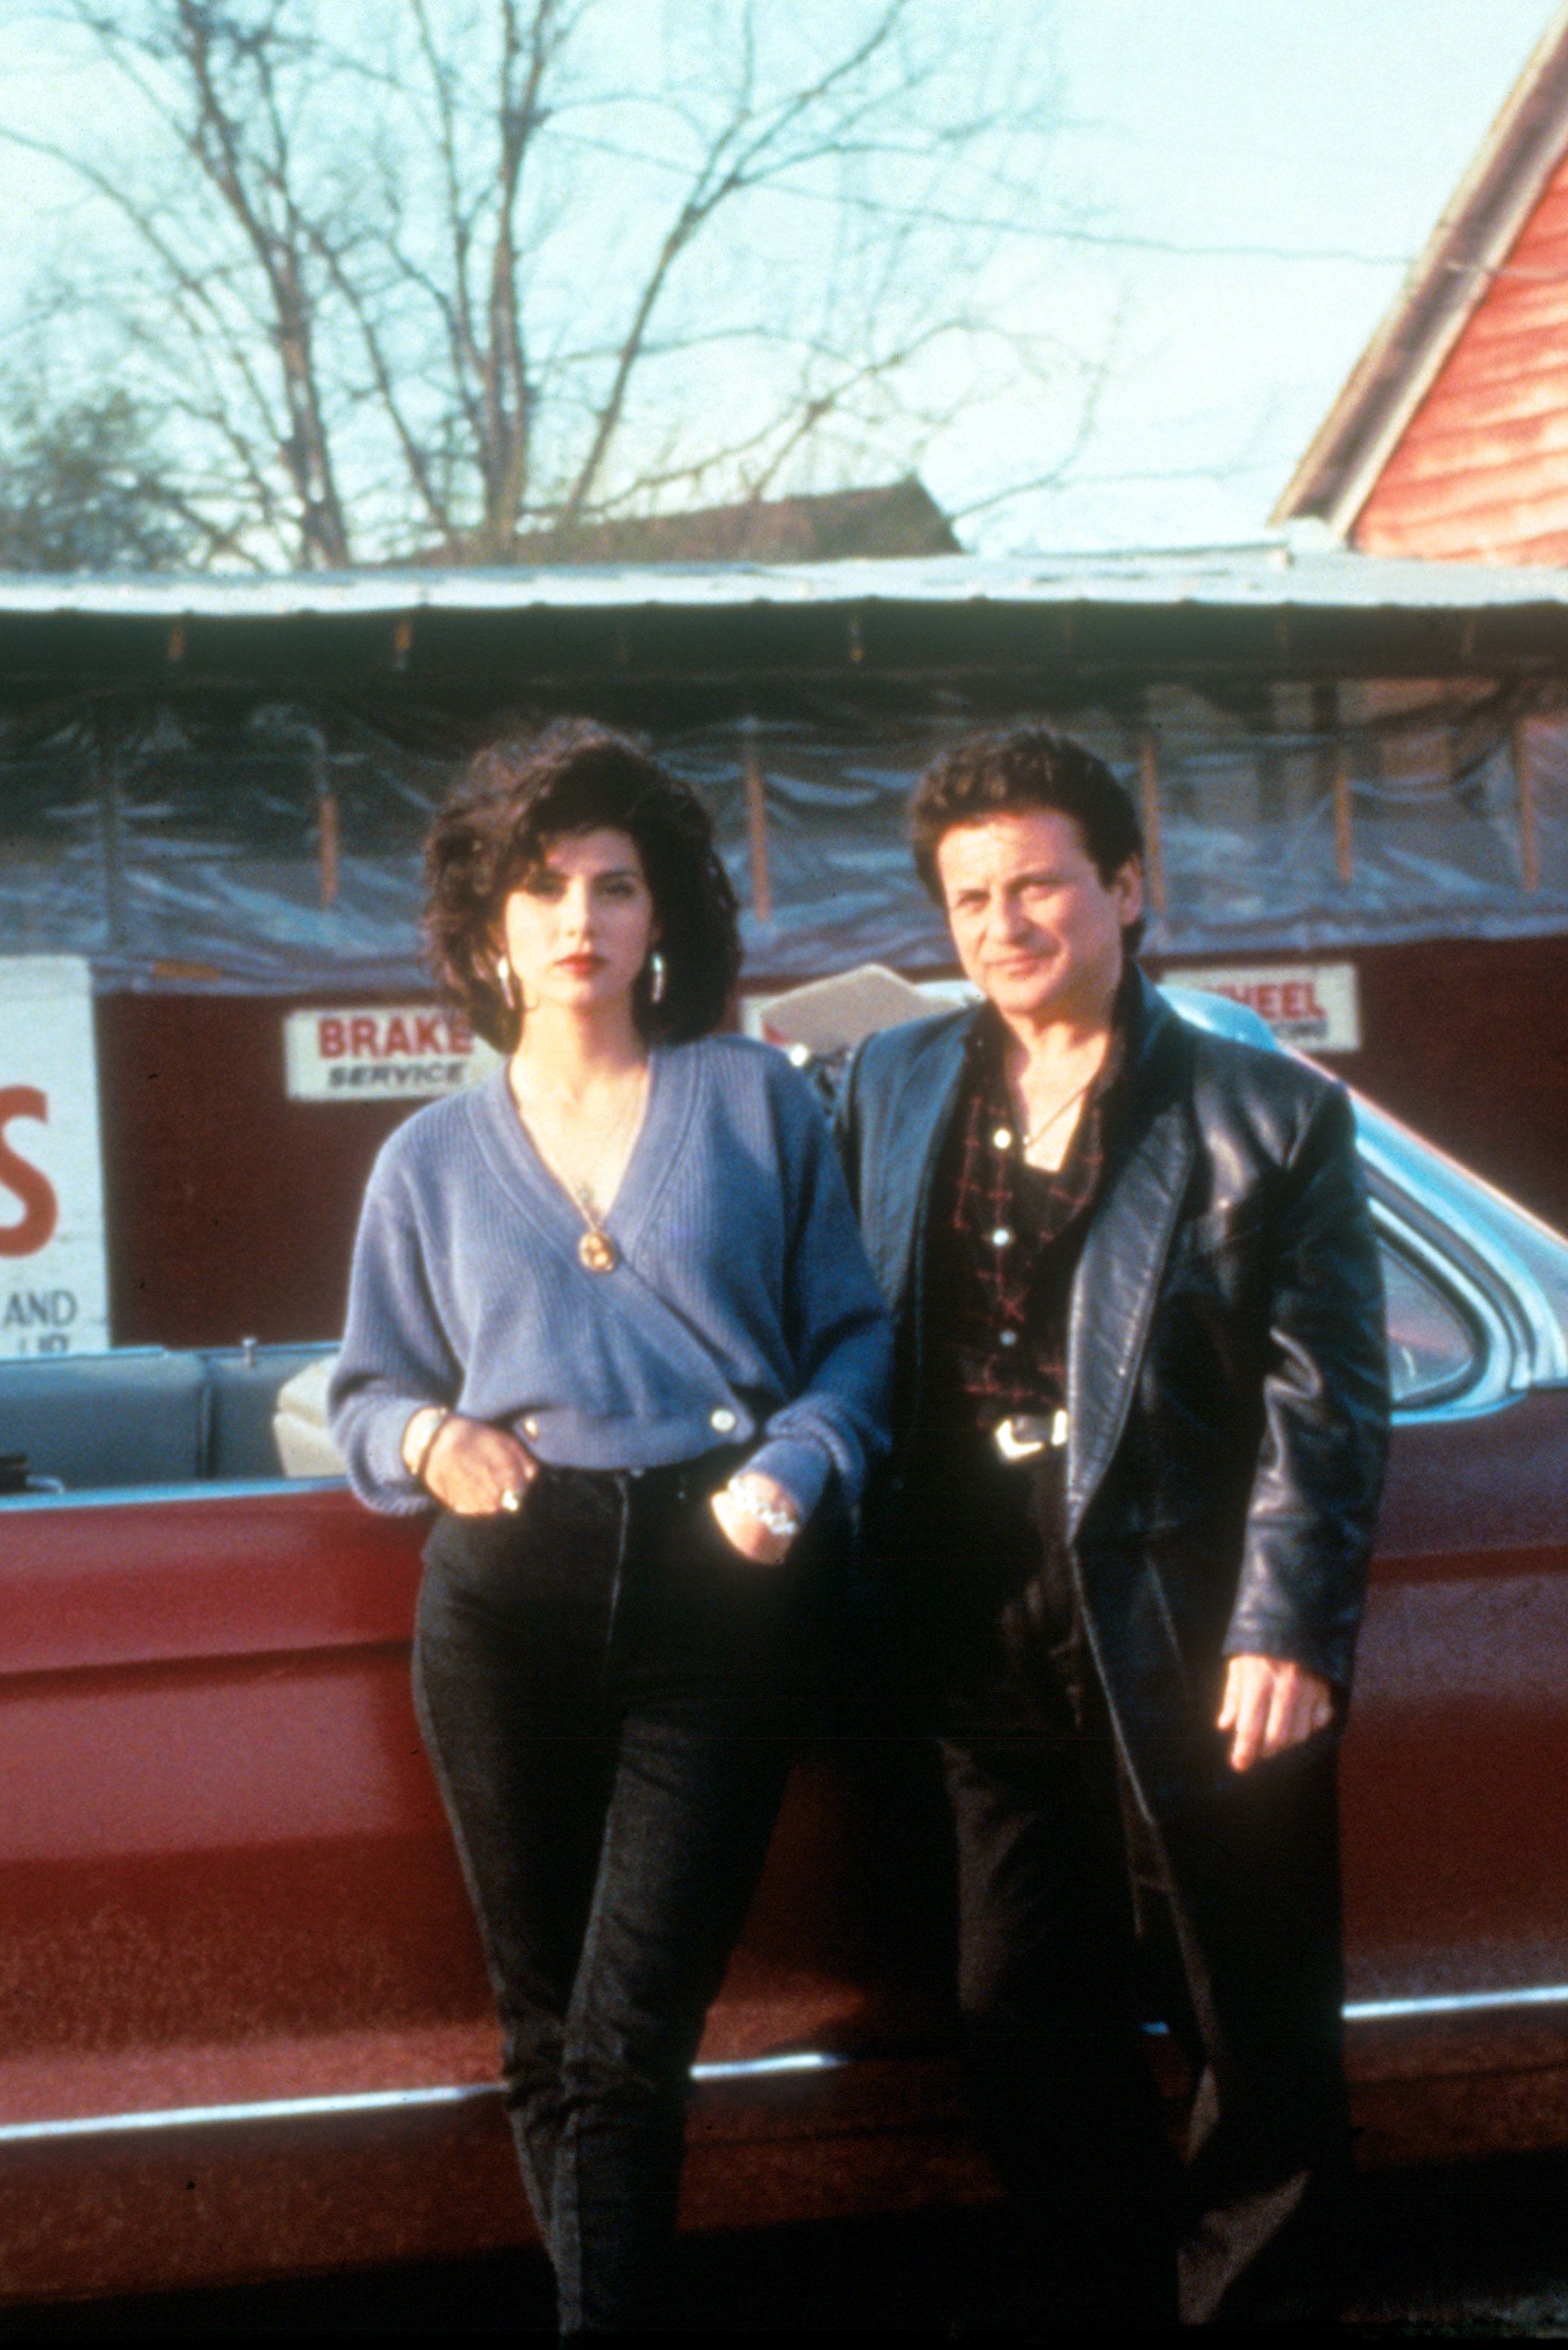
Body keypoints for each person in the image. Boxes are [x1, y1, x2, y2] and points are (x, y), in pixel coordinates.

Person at [329, 723, 892, 2334]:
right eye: (545, 887)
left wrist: (802, 1459)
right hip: (507, 1600)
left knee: (631, 2030)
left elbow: (854, 1339)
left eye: (616, 886)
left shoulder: (757, 1103)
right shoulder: (426, 1160)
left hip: (725, 1587)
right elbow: (365, 1389)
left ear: (664, 920)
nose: (580, 918)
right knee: (542, 2029)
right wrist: (429, 1439)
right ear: (490, 932)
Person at [828, 726, 1388, 2324]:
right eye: (970, 896)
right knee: (1017, 2021)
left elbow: (1326, 1396)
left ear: (1129, 889)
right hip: (967, 1607)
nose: (1004, 925)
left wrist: (1287, 1622)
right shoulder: (891, 1078)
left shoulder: (1266, 1112)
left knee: (1250, 2023)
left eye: (1042, 885)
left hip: (1186, 1612)